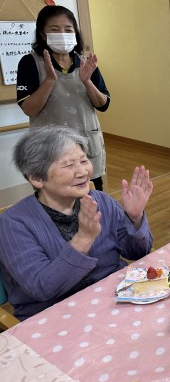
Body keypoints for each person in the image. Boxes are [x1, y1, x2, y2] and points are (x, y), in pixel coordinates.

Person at [0, 126, 153, 321]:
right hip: (54, 319)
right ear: (36, 178)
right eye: (68, 165)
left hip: (114, 300)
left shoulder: (102, 201)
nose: (83, 171)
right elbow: (42, 288)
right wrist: (83, 238)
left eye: (83, 160)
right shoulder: (14, 223)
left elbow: (137, 253)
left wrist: (134, 217)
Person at [16, 5, 110, 190]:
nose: (62, 34)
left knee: (91, 198)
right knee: (53, 199)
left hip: (86, 146)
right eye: (54, 29)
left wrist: (87, 81)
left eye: (68, 29)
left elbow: (103, 104)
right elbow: (29, 109)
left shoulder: (85, 62)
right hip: (50, 149)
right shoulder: (30, 62)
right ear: (42, 33)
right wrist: (50, 80)